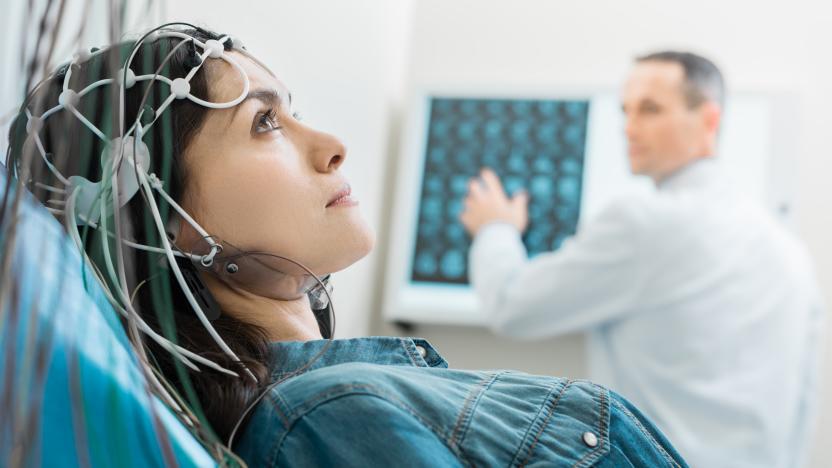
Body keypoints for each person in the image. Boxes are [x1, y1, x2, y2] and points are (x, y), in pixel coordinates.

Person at [5, 25, 688, 467]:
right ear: (166, 217)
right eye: (266, 121)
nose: (332, 147)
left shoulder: (341, 401)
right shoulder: (323, 417)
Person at [460, 51, 825, 467]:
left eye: (650, 110)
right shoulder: (787, 248)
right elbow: (802, 403)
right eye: (625, 111)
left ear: (709, 120)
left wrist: (495, 228)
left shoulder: (646, 224)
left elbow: (511, 305)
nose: (630, 128)